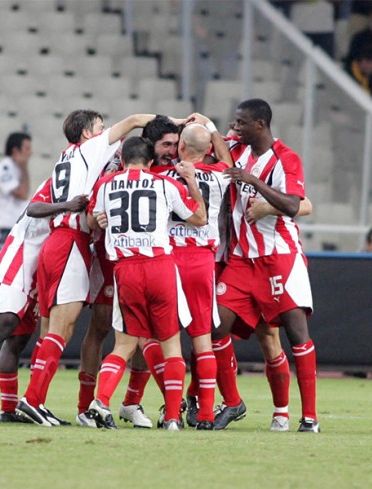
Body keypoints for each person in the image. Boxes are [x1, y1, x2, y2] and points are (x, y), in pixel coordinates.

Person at [16, 109, 183, 427]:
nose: (107, 132)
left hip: (63, 243)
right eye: (101, 128)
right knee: (63, 331)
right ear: (87, 135)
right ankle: (34, 400)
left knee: (58, 330)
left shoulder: (65, 159)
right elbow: (134, 120)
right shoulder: (90, 150)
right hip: (74, 243)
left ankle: (48, 402)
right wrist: (181, 121)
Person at [211, 98, 320, 433]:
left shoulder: (286, 159)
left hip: (280, 258)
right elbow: (211, 136)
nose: (235, 128)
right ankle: (233, 402)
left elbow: (294, 204)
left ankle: (308, 417)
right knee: (215, 328)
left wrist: (257, 188)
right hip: (243, 260)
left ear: (259, 124)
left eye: (241, 123)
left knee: (295, 334)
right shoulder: (237, 150)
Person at [85, 136, 207, 431]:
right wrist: (193, 185)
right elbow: (200, 218)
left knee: (124, 344)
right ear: (151, 161)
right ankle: (173, 419)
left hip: (125, 269)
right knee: (172, 346)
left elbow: (91, 221)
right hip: (160, 267)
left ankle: (100, 401)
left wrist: (100, 220)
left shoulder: (105, 184)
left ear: (123, 160)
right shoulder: (165, 184)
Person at [0, 179, 86, 422]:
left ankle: (8, 409)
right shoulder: (57, 182)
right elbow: (33, 208)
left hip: (35, 272)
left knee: (18, 340)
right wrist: (68, 205)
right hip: (17, 262)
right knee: (3, 324)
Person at [151, 120, 232, 431]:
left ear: (181, 147)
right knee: (202, 342)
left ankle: (172, 414)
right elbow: (229, 161)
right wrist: (211, 127)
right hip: (202, 262)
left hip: (169, 259)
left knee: (167, 341)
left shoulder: (161, 176)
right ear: (208, 149)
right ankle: (208, 415)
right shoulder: (220, 175)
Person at [75, 153, 155, 429]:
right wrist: (99, 218)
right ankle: (86, 406)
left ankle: (131, 402)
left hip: (152, 261)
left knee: (147, 334)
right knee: (101, 327)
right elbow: (91, 220)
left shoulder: (164, 176)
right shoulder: (110, 171)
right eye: (165, 144)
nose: (170, 148)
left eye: (173, 143)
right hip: (112, 261)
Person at [0, 132, 32, 244]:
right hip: (8, 230)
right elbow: (22, 194)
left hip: (18, 228)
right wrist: (24, 167)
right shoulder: (4, 170)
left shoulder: (16, 168)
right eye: (27, 148)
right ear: (15, 150)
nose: (30, 153)